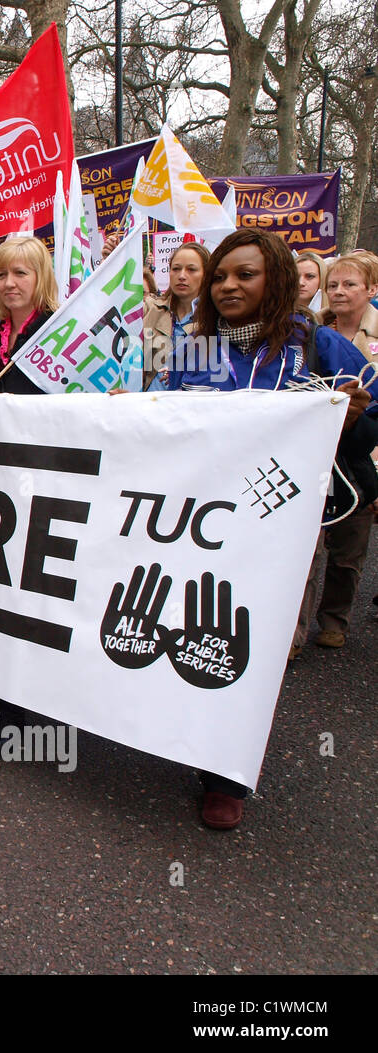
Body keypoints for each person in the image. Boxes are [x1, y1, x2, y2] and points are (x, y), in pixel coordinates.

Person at [169, 228, 375, 830]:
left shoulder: (318, 346)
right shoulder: (194, 346)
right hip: (198, 521)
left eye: (246, 275)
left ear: (278, 279)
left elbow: (369, 413)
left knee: (251, 646)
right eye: (221, 276)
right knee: (192, 629)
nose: (229, 286)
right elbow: (153, 418)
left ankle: (227, 774)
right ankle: (183, 733)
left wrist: (351, 420)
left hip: (282, 528)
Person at [309, 251, 378, 648]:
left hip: (361, 455)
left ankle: (335, 619)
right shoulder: (311, 333)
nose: (338, 292)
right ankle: (294, 629)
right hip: (317, 453)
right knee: (308, 544)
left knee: (348, 547)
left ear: (370, 289)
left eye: (349, 284)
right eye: (332, 284)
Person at [0, 235, 60, 394]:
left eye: (20, 273)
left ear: (41, 278)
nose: (9, 283)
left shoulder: (62, 335)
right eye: (1, 275)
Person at [141, 241, 209, 389]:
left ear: (206, 275)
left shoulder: (215, 320)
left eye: (191, 270)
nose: (182, 276)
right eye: (176, 269)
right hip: (146, 406)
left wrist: (181, 372)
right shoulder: (150, 309)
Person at [296, 251, 326, 315]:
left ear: (322, 279)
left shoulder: (336, 315)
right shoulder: (276, 316)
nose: (300, 283)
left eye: (309, 276)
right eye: (296, 276)